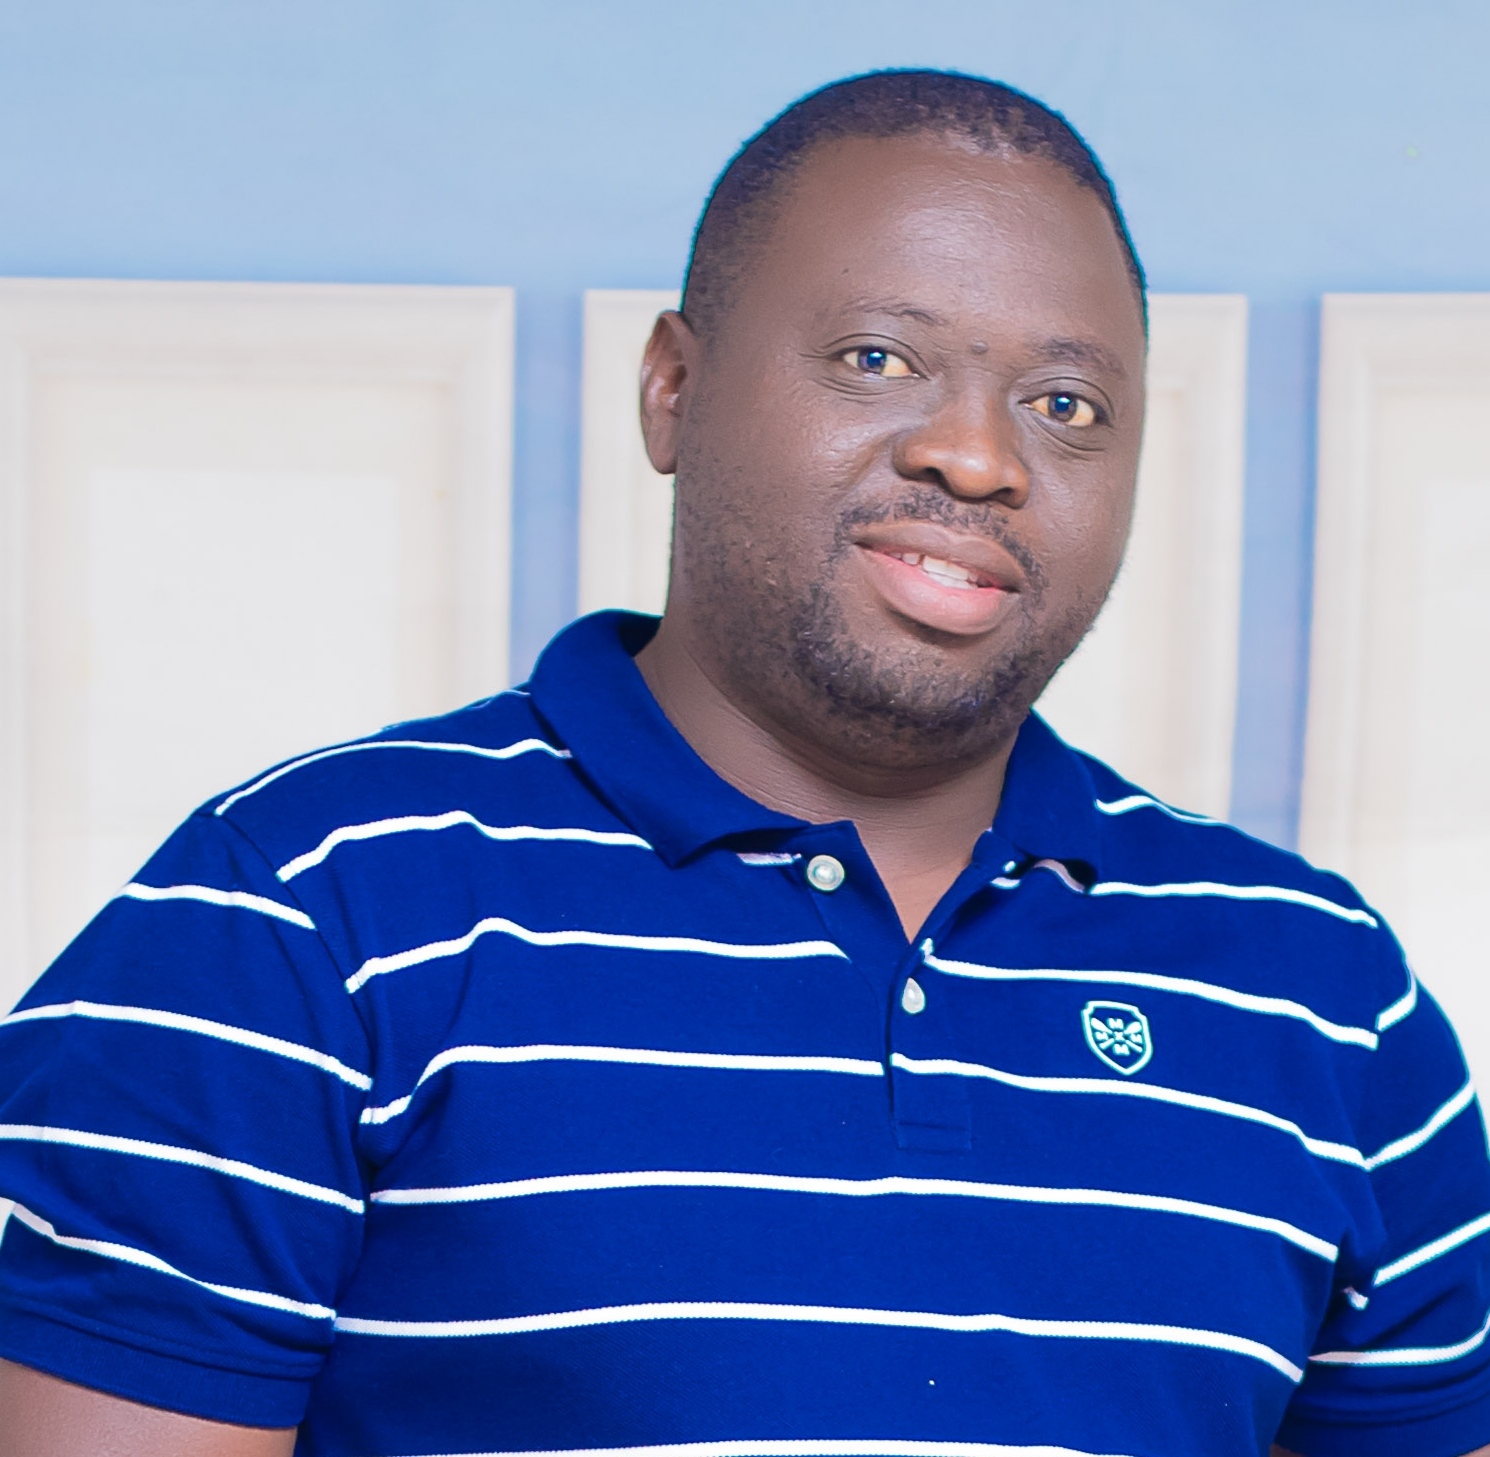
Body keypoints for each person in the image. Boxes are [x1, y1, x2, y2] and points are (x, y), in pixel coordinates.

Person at [0, 68, 1487, 1457]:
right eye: (876, 357)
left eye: (1066, 405)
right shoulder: (295, 914)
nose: (978, 458)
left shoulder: (1323, 990)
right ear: (672, 388)